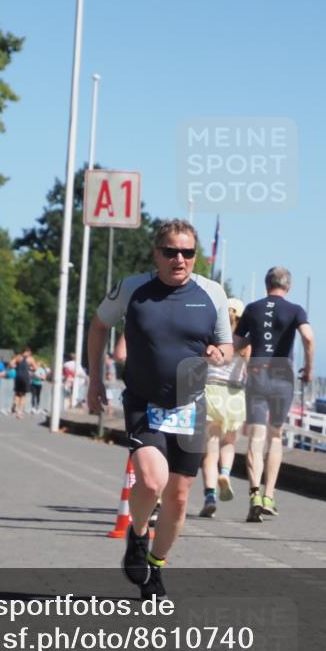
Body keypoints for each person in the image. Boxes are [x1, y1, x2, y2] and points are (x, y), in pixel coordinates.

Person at [87, 219, 233, 600]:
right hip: (143, 402)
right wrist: (95, 379)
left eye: (187, 252)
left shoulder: (212, 293)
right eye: (171, 252)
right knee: (151, 481)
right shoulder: (134, 289)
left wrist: (220, 353)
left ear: (195, 256)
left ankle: (155, 566)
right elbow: (99, 325)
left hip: (191, 406)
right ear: (157, 254)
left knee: (180, 498)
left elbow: (226, 345)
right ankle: (137, 535)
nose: (179, 259)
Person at [235, 266, 315, 522]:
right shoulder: (295, 310)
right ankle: (269, 496)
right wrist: (309, 369)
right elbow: (308, 338)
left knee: (256, 437)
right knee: (276, 437)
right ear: (288, 286)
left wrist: (253, 340)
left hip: (257, 372)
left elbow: (236, 343)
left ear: (266, 284)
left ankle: (254, 494)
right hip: (282, 375)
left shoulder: (253, 308)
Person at [199, 298, 249, 518]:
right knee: (228, 444)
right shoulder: (245, 344)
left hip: (212, 393)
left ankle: (210, 495)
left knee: (209, 451)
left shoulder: (213, 338)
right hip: (235, 395)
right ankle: (226, 474)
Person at [10, 347, 37, 418]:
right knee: (23, 395)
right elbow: (35, 368)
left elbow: (11, 364)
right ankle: (20, 411)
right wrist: (30, 368)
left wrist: (15, 366)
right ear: (29, 352)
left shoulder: (18, 357)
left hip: (18, 376)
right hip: (25, 377)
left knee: (17, 392)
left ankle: (15, 403)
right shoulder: (30, 359)